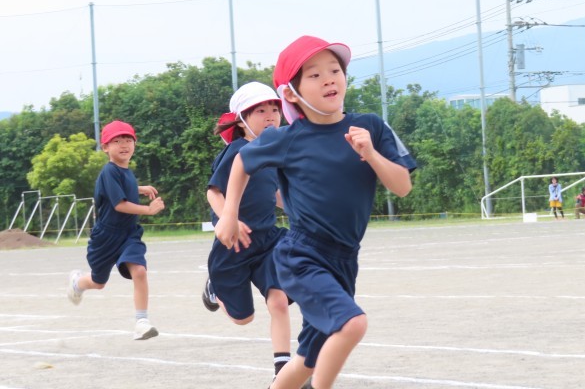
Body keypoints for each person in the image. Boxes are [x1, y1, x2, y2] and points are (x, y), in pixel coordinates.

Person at [214, 35, 416, 389]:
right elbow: (242, 160)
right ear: (291, 93)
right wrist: (229, 213)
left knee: (308, 360)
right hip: (302, 254)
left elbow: (401, 186)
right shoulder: (288, 138)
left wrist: (371, 154)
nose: (328, 78)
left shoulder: (370, 127)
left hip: (344, 258)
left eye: (335, 69)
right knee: (352, 324)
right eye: (314, 74)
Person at [202, 82, 293, 380]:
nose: (270, 116)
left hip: (268, 241)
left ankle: (283, 372)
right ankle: (214, 288)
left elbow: (276, 195)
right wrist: (228, 216)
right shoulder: (237, 151)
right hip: (234, 244)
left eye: (275, 109)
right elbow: (213, 192)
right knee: (244, 319)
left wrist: (303, 211)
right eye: (260, 111)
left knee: (278, 299)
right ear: (241, 119)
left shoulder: (274, 154)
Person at [67, 120, 165, 340]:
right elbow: (119, 204)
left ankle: (141, 321)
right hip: (106, 236)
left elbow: (126, 189)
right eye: (117, 141)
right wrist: (148, 209)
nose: (124, 145)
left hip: (129, 233)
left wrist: (140, 188)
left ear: (134, 144)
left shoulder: (126, 171)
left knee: (139, 270)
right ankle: (77, 282)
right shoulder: (109, 171)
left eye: (128, 140)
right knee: (98, 282)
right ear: (105, 147)